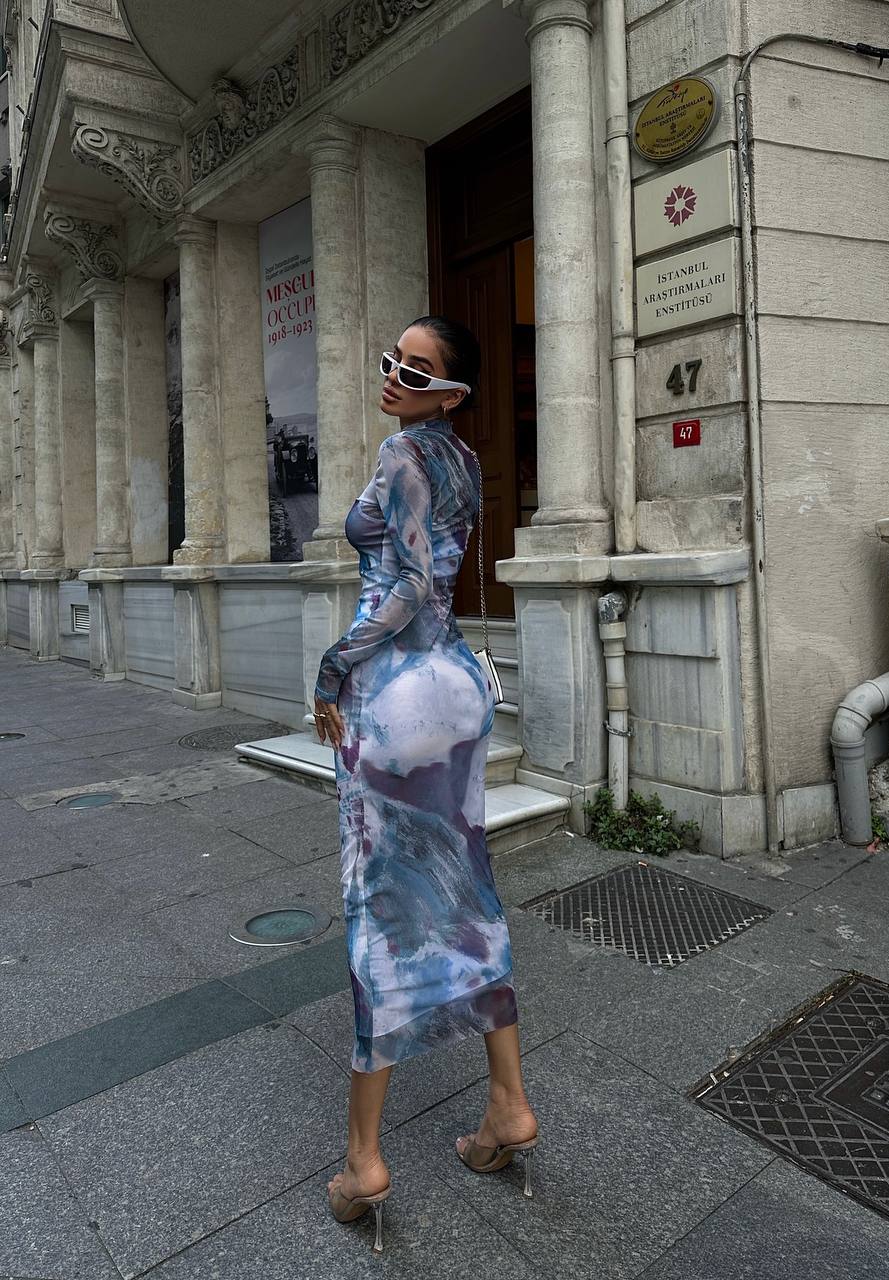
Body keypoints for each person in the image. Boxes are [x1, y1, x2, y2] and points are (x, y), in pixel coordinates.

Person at [312, 317, 539, 1252]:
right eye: (391, 362)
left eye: (416, 370)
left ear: (451, 393)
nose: (394, 377)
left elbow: (405, 585)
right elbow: (437, 579)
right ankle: (507, 1105)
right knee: (465, 889)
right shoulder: (464, 461)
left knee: (381, 904)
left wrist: (334, 663)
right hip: (452, 688)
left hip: (394, 693)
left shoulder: (402, 452)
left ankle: (364, 1158)